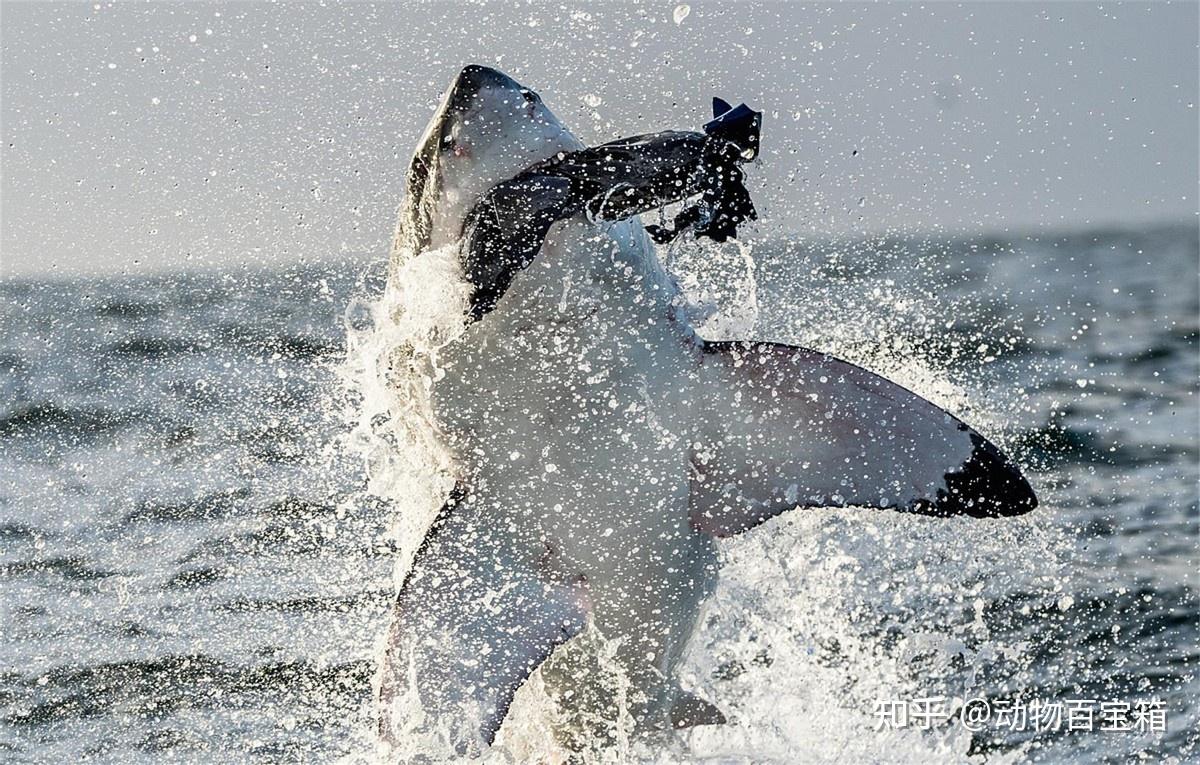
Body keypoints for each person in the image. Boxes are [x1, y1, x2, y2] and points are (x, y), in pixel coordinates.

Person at [462, 98, 762, 319]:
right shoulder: (706, 158)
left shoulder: (701, 154)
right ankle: (483, 295)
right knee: (512, 215)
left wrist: (673, 229)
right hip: (581, 187)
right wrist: (678, 227)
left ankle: (481, 295)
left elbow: (704, 209)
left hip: (582, 189)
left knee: (511, 213)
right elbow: (710, 210)